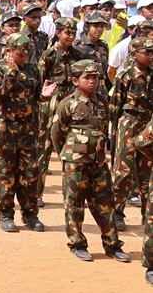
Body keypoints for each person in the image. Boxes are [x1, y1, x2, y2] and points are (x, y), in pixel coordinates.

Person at [51, 59, 130, 263]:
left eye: (95, 77)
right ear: (76, 80)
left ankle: (112, 245)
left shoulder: (103, 102)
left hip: (99, 161)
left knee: (105, 203)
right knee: (74, 203)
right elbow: (57, 132)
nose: (93, 81)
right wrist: (67, 155)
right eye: (88, 77)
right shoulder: (68, 103)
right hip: (76, 162)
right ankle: (77, 244)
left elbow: (105, 129)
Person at [0, 32, 52, 233]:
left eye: (27, 54)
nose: (24, 58)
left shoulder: (33, 70)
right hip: (5, 128)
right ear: (9, 51)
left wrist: (43, 97)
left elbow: (34, 97)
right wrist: (12, 73)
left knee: (30, 173)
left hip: (27, 129)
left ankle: (30, 214)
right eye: (20, 54)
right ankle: (6, 214)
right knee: (5, 172)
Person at [110, 35, 153, 232]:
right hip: (129, 124)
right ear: (135, 54)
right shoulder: (124, 76)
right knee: (123, 171)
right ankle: (117, 213)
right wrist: (115, 132)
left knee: (147, 172)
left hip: (148, 126)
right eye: (147, 52)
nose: (151, 56)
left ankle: (147, 213)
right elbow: (116, 106)